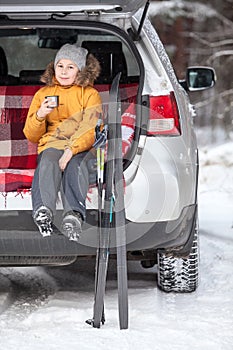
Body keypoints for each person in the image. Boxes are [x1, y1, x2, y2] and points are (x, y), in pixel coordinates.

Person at [23, 43, 102, 241]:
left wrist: (71, 150)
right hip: (52, 144)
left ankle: (73, 215)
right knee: (48, 161)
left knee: (76, 166)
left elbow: (90, 127)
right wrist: (41, 114)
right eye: (60, 66)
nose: (64, 72)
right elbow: (31, 135)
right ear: (53, 67)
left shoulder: (90, 94)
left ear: (81, 70)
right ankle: (43, 210)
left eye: (70, 67)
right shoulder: (42, 94)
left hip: (82, 146)